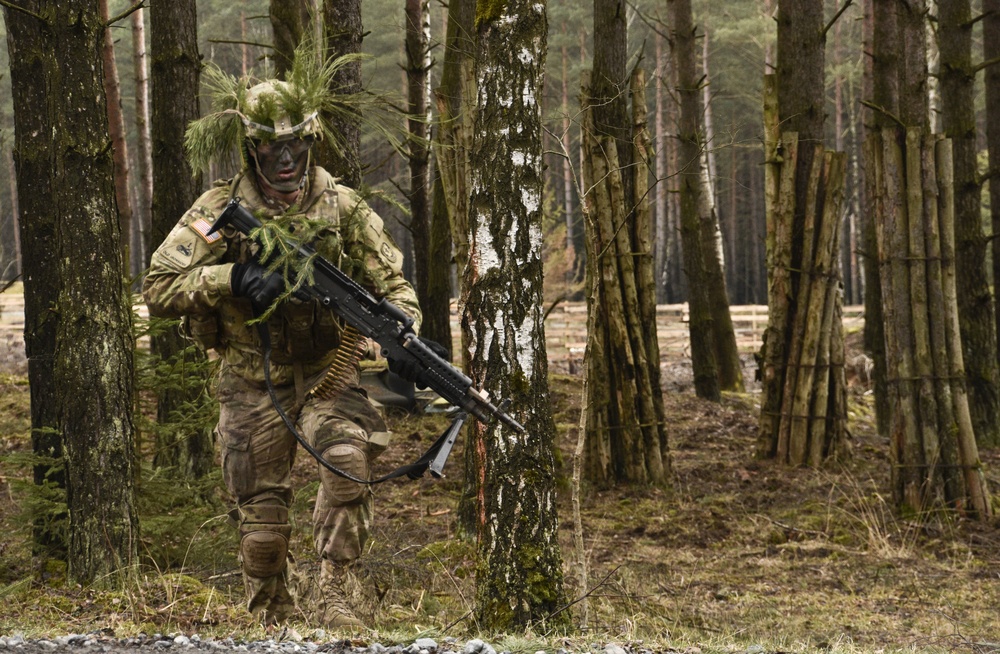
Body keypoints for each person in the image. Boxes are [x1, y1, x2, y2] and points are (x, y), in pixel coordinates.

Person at [143, 78, 436, 629]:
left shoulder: (343, 207)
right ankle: (271, 614)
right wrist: (232, 276)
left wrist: (397, 333)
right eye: (270, 147)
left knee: (348, 463)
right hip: (251, 377)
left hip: (332, 368)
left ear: (311, 141)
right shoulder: (219, 209)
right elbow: (158, 287)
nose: (284, 158)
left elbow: (396, 291)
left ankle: (336, 595)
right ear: (250, 148)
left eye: (295, 145)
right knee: (261, 519)